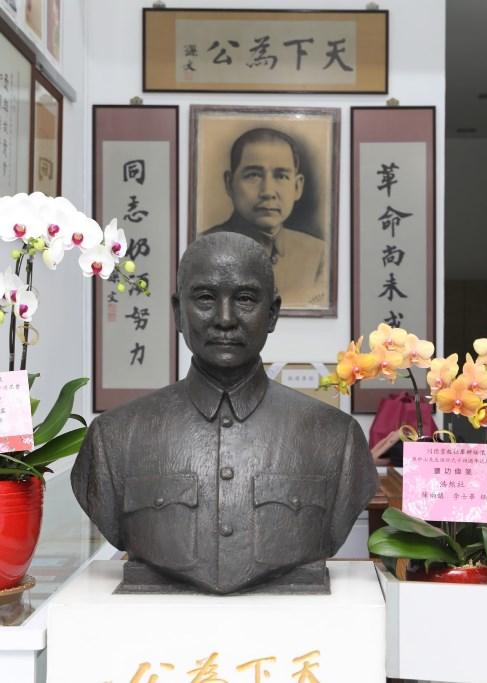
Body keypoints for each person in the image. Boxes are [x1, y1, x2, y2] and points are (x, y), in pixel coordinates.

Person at [71, 232, 376, 594]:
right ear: (177, 312)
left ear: (273, 313)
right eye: (204, 298)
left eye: (245, 299)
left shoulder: (336, 439)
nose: (225, 319)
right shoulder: (114, 438)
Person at [203, 127, 327, 308]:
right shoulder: (203, 248)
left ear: (297, 187)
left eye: (281, 176)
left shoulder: (319, 255)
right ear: (229, 183)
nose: (268, 192)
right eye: (253, 175)